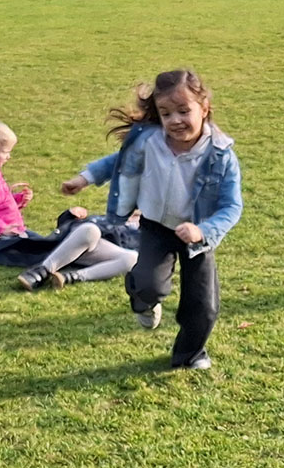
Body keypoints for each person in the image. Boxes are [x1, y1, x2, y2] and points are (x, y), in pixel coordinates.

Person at [62, 70, 243, 370]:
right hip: (156, 226)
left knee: (203, 305)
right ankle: (141, 298)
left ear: (204, 108)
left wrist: (202, 230)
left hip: (197, 236)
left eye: (184, 111)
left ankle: (190, 354)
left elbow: (231, 206)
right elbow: (117, 161)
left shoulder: (220, 154)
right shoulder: (149, 141)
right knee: (149, 286)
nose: (175, 121)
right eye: (166, 113)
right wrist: (85, 178)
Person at [0, 116, 138, 291]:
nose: (9, 156)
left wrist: (16, 201)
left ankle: (60, 273)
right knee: (23, 254)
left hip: (10, 228)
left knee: (37, 246)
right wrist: (0, 228)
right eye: (5, 151)